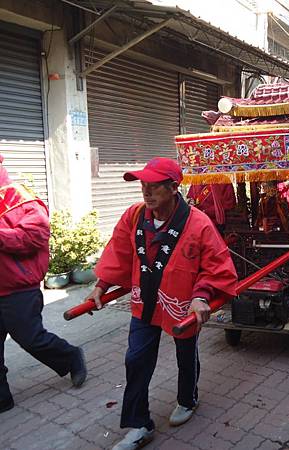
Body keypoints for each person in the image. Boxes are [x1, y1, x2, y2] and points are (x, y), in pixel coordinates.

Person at [89, 157, 238, 450]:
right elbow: (118, 252)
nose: (146, 192)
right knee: (135, 360)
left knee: (186, 354)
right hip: (144, 302)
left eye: (154, 187)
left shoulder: (198, 223)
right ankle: (139, 424)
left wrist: (201, 296)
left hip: (181, 305)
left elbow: (216, 266)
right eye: (143, 185)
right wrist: (101, 285)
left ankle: (187, 399)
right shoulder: (133, 215)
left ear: (173, 187)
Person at [0, 154, 87, 414]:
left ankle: (71, 356)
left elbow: (34, 236)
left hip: (18, 288)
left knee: (31, 338)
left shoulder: (19, 197)